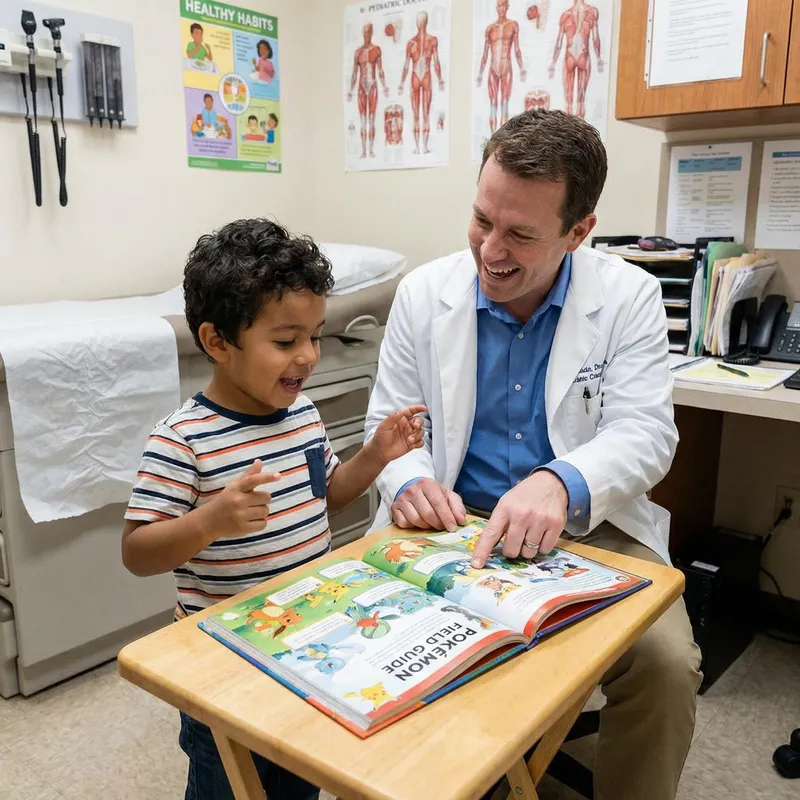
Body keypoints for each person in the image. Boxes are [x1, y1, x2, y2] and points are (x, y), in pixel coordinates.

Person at [364, 110, 702, 800]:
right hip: (452, 522)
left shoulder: (629, 296)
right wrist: (408, 480)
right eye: (482, 220)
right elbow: (389, 421)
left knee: (666, 666)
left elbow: (646, 433)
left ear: (580, 232)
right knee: (369, 653)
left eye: (520, 233)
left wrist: (561, 480)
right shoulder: (425, 295)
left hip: (591, 524)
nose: (490, 249)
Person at [122, 219, 426, 800]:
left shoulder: (302, 414)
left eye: (314, 336)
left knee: (298, 773)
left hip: (310, 639)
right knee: (230, 783)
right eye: (286, 342)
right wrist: (210, 520)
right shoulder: (182, 439)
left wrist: (378, 455)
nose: (308, 356)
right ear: (217, 342)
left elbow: (330, 496)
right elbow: (137, 552)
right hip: (224, 660)